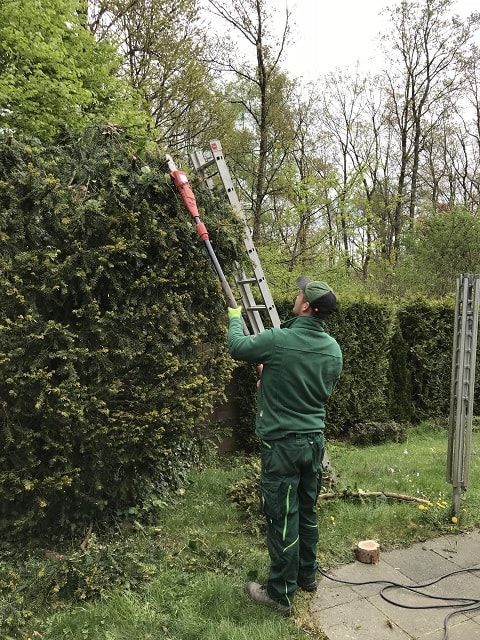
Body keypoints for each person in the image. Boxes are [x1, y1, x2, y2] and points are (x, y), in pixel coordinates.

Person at [227, 275, 343, 617]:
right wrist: (273, 376)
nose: (296, 295)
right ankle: (307, 575)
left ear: (306, 306)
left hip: (282, 447)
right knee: (307, 510)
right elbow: (315, 391)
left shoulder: (280, 340)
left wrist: (234, 319)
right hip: (314, 444)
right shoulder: (333, 350)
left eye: (300, 294)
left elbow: (237, 347)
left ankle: (279, 593)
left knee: (283, 516)